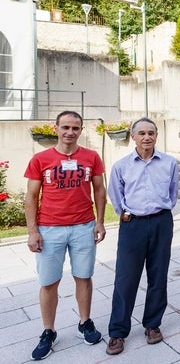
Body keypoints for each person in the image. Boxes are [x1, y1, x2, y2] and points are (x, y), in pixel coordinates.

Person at [24, 111, 106, 360]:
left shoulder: (91, 157)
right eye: (66, 127)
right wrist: (32, 231)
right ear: (56, 129)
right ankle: (48, 331)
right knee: (49, 282)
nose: (70, 132)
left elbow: (100, 190)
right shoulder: (40, 159)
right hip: (50, 229)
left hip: (83, 227)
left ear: (81, 130)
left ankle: (85, 323)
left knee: (84, 276)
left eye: (75, 128)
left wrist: (100, 222)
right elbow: (31, 196)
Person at [106, 118, 179, 356]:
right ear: (133, 137)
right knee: (126, 278)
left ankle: (152, 324)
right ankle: (117, 332)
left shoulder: (168, 163)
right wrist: (125, 213)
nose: (147, 137)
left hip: (161, 222)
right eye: (142, 133)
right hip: (133, 225)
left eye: (151, 133)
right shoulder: (121, 166)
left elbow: (172, 193)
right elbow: (115, 196)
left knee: (158, 275)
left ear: (156, 136)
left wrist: (163, 209)